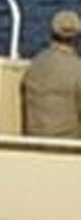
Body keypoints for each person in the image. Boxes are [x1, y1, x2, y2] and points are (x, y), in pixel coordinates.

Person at [21, 8, 81, 137]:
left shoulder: (35, 64)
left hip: (33, 139)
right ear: (77, 37)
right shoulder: (77, 69)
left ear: (51, 33)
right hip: (68, 144)